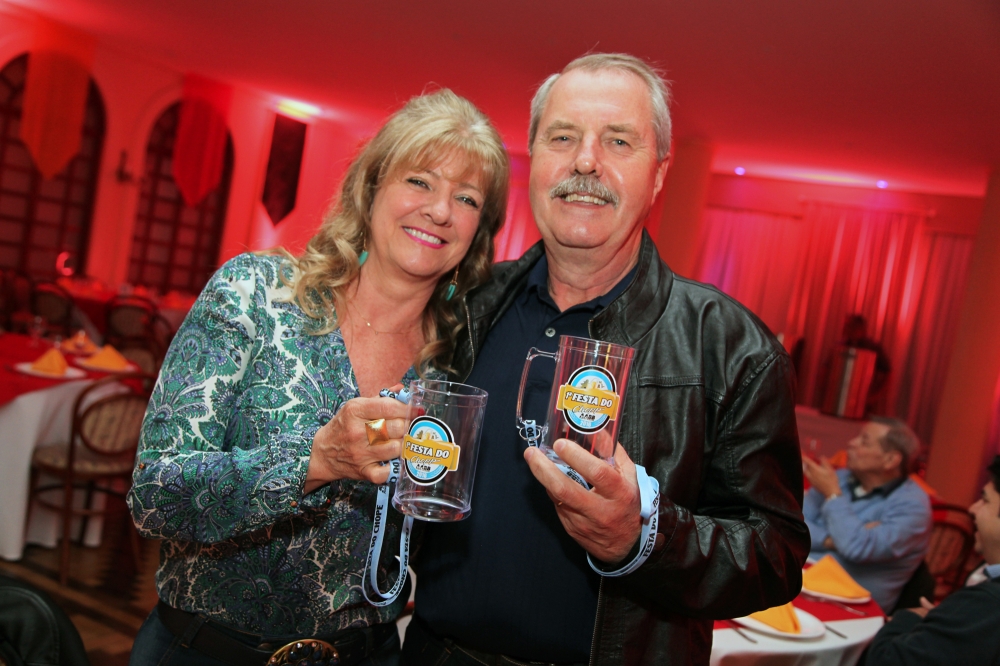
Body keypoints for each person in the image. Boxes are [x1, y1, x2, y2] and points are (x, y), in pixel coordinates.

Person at [403, 53, 809, 666]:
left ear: (659, 174)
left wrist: (644, 537)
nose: (586, 161)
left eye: (618, 141)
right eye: (563, 137)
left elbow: (776, 555)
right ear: (533, 158)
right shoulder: (465, 304)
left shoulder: (730, 347)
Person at [126, 89, 509, 666]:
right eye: (420, 181)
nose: (439, 211)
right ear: (372, 187)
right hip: (205, 651)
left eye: (467, 198)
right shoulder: (257, 295)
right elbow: (154, 496)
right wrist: (316, 459)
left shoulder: (457, 363)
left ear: (479, 230)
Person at [860, 456, 1000, 665]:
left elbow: (884, 660)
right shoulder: (984, 582)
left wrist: (909, 617)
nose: (973, 508)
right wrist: (949, 619)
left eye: (986, 501)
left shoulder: (987, 604)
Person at [802, 417, 931, 612]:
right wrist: (834, 540)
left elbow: (857, 548)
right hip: (801, 583)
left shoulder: (913, 506)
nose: (851, 443)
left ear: (890, 460)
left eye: (864, 441)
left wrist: (833, 495)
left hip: (850, 607)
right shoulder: (841, 478)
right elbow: (790, 526)